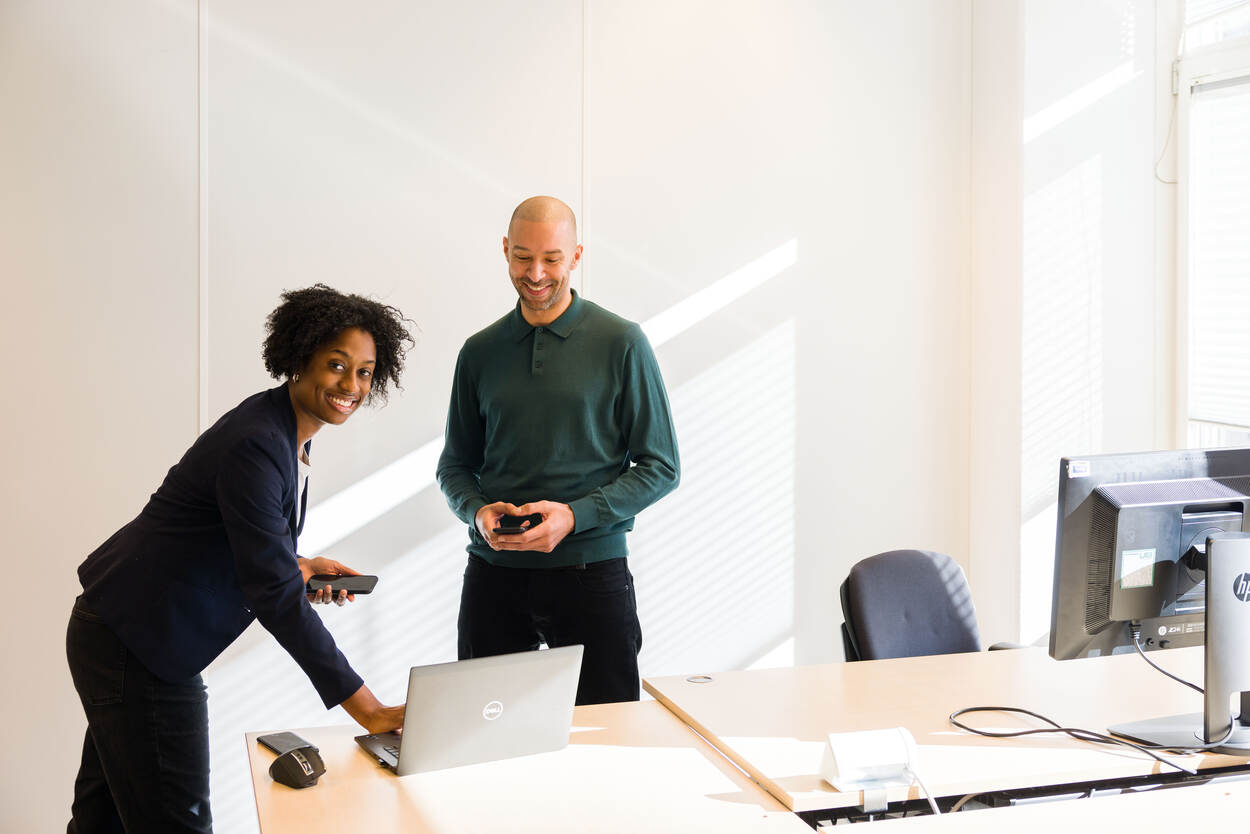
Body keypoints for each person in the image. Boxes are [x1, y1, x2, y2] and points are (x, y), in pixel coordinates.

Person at [66, 284, 413, 833]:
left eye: (365, 372)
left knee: (103, 819)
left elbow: (245, 542)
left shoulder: (283, 433)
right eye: (336, 365)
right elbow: (271, 593)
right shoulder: (258, 442)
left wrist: (297, 566)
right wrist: (367, 709)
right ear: (299, 360)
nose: (351, 385)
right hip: (139, 646)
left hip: (123, 632)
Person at [436, 196, 680, 706]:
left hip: (592, 577)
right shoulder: (479, 352)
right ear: (505, 251)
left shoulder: (622, 342)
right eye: (523, 257)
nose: (537, 272)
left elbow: (661, 466)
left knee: (608, 744)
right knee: (483, 746)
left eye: (552, 258)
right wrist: (478, 513)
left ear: (577, 255)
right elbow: (455, 465)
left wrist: (573, 517)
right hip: (494, 576)